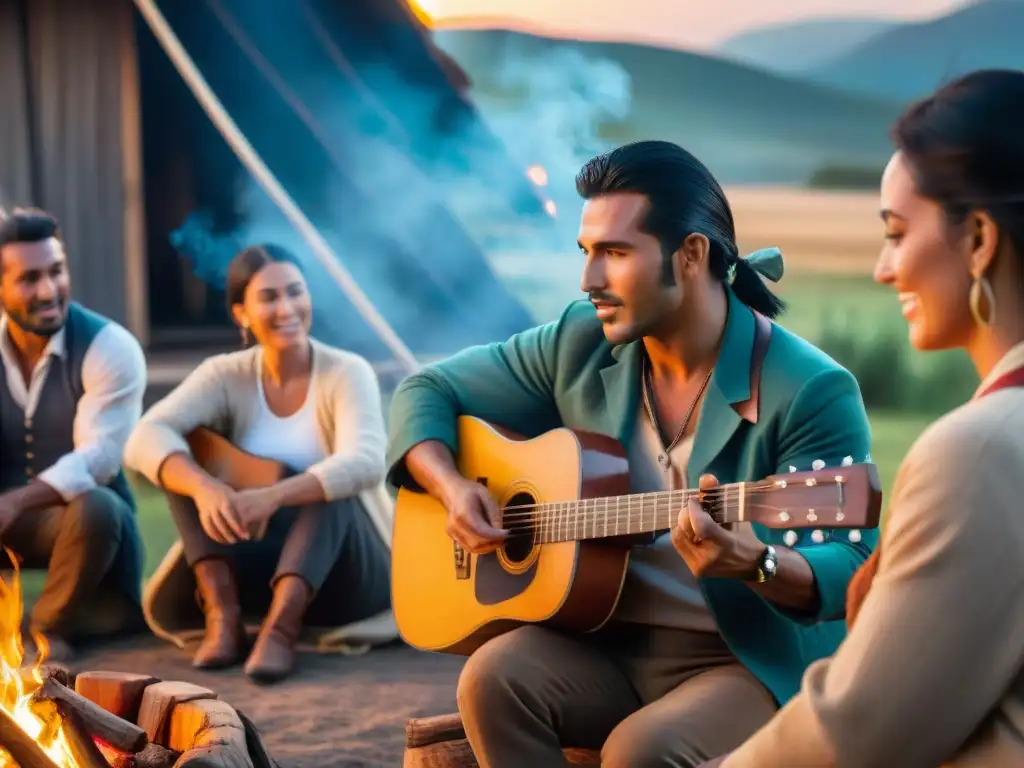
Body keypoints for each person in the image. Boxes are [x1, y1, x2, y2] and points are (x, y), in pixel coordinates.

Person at [385, 140, 878, 767]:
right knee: (492, 679)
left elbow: (850, 558)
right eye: (587, 252)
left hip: (741, 659)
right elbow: (426, 389)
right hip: (603, 639)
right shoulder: (579, 340)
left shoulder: (808, 387)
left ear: (691, 255)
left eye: (615, 253)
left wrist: (756, 563)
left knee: (640, 751)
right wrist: (452, 486)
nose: (589, 279)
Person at [714, 69, 1024, 768]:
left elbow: (858, 734)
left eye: (895, 232)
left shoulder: (980, 451)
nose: (885, 269)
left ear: (978, 239)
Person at [124, 244, 392, 684]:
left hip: (346, 576)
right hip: (258, 563)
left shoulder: (347, 371)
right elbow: (144, 436)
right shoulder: (225, 374)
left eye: (295, 292)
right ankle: (222, 616)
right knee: (185, 456)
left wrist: (274, 496)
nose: (286, 308)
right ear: (241, 314)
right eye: (269, 297)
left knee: (331, 479)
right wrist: (204, 488)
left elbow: (365, 462)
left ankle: (282, 630)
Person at [0, 208, 148, 661]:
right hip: (11, 526)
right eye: (29, 279)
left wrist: (15, 501)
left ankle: (49, 629)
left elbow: (98, 459)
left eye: (57, 272)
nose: (49, 291)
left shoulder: (110, 346)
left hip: (87, 531)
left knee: (98, 503)